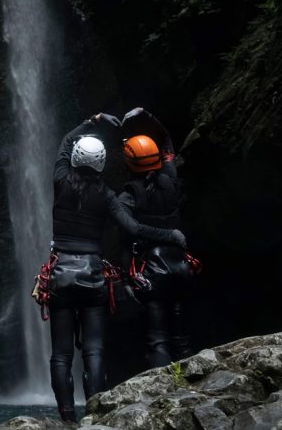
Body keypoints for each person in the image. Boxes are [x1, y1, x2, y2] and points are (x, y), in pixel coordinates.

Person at [47, 113, 186, 422]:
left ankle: (67, 418)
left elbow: (65, 141)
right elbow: (135, 228)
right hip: (93, 276)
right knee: (94, 352)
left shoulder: (59, 179)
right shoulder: (109, 197)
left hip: (60, 275)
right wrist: (170, 235)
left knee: (61, 354)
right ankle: (94, 417)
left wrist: (92, 121)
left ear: (73, 159)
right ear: (103, 163)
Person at [118, 107, 194, 369]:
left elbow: (127, 237)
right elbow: (167, 141)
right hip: (181, 265)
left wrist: (125, 278)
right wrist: (147, 116)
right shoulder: (171, 179)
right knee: (181, 330)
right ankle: (191, 386)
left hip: (151, 271)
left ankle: (163, 394)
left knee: (157, 338)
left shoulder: (127, 197)